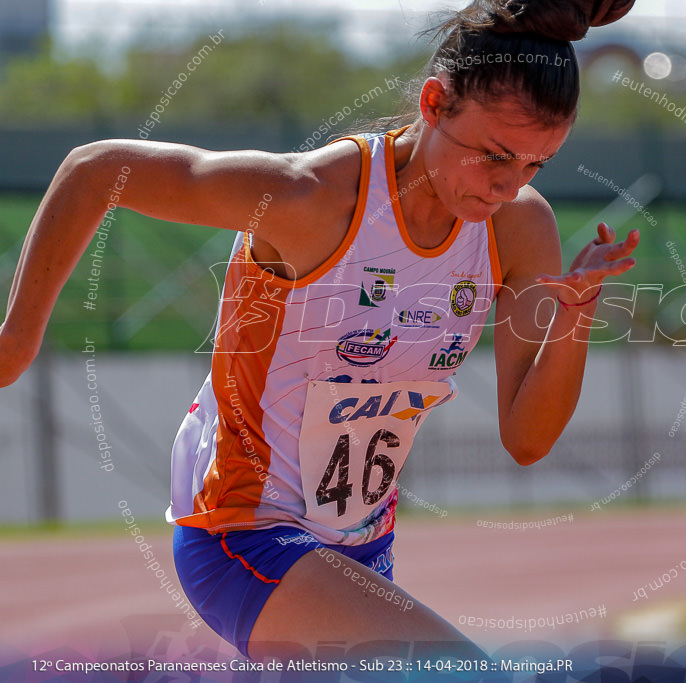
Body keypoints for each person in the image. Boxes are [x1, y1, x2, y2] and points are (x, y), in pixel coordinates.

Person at [0, 0, 639, 662]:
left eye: (535, 165)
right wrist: (17, 340)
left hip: (361, 549)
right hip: (246, 533)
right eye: (493, 155)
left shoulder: (517, 229)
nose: (506, 186)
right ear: (433, 103)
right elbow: (96, 170)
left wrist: (573, 318)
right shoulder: (312, 199)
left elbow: (527, 438)